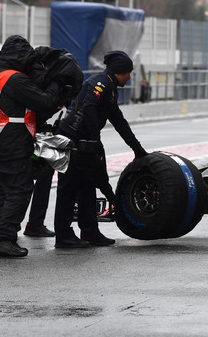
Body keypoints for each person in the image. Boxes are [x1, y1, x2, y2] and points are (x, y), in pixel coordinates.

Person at [0, 35, 66, 257]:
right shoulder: (14, 79)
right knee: (20, 189)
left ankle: (0, 236)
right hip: (13, 140)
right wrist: (56, 84)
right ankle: (4, 238)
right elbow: (45, 102)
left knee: (4, 189)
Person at [52, 50, 147, 248]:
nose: (130, 77)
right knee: (67, 188)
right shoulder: (100, 83)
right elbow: (89, 107)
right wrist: (95, 139)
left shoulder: (111, 89)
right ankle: (63, 236)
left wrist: (137, 149)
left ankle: (90, 232)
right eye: (128, 72)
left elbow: (119, 121)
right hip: (72, 139)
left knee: (87, 187)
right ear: (119, 71)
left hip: (85, 142)